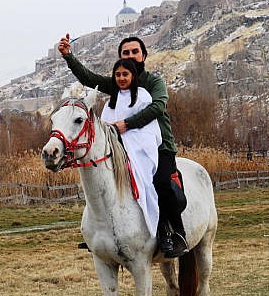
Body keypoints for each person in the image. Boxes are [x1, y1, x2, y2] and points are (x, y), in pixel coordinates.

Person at [58, 34, 188, 258]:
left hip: (159, 146)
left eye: (135, 52)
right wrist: (68, 56)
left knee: (159, 182)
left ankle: (175, 233)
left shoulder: (154, 82)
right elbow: (89, 78)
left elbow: (158, 107)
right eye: (126, 53)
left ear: (143, 55)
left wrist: (127, 124)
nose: (131, 56)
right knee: (105, 181)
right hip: (125, 147)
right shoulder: (120, 81)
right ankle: (101, 233)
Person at [101, 59, 161, 239]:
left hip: (139, 148)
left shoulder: (143, 97)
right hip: (116, 148)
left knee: (147, 183)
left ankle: (158, 227)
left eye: (125, 74)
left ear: (133, 76)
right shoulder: (111, 102)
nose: (121, 78)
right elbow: (105, 128)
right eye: (117, 75)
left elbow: (149, 128)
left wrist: (126, 135)